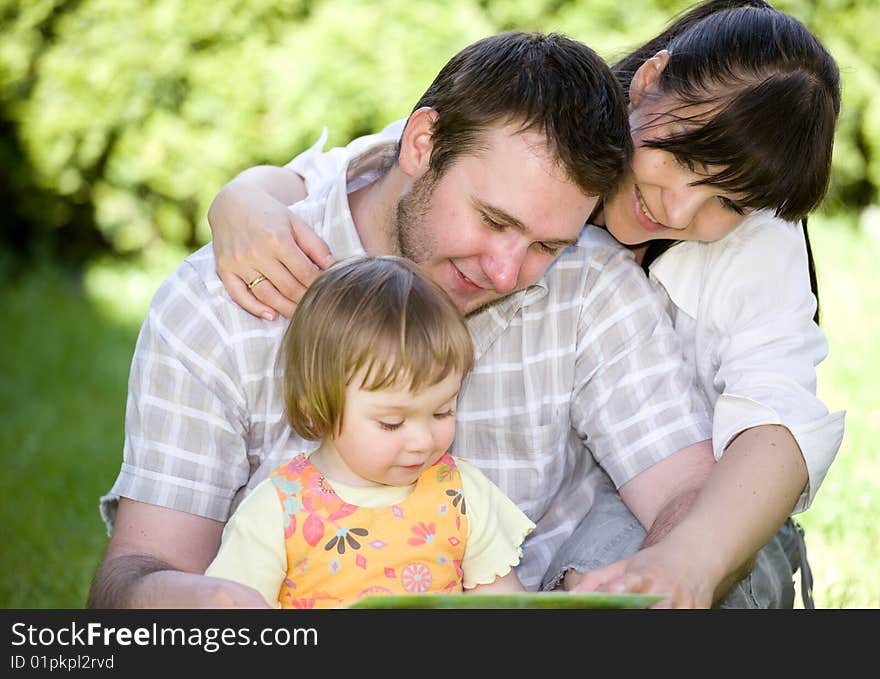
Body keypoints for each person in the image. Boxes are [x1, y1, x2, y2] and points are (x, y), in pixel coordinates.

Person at [204, 1, 845, 607]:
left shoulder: (759, 245)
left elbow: (779, 418)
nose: (677, 210)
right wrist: (244, 197)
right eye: (681, 158)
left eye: (726, 202)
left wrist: (691, 557)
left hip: (674, 499)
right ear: (649, 81)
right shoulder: (549, 133)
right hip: (498, 500)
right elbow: (377, 167)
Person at [91, 30, 718, 610]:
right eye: (495, 221)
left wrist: (648, 573)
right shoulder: (221, 302)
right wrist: (198, 603)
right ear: (422, 144)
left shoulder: (592, 286)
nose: (506, 271)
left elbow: (686, 495)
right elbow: (139, 572)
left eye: (546, 246)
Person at [204, 255, 533, 608]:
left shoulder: (461, 494)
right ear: (315, 409)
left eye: (442, 412)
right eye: (392, 423)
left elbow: (501, 603)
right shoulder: (277, 512)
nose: (423, 441)